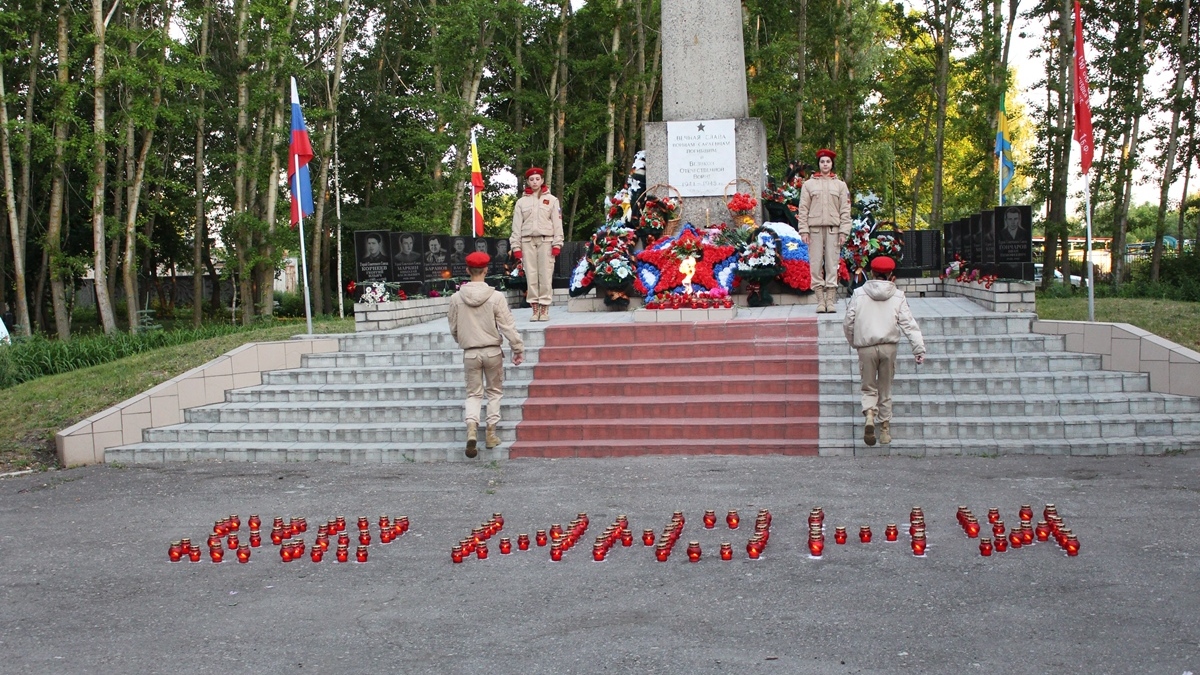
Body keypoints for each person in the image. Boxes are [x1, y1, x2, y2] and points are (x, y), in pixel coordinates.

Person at [842, 256, 926, 446]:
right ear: (890, 275)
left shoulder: (859, 293)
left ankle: (870, 414)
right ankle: (885, 429)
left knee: (868, 386)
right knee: (885, 388)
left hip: (866, 347)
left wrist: (855, 342)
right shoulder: (898, 296)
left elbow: (848, 322)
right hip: (889, 348)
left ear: (871, 273)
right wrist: (918, 349)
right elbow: (909, 324)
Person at [448, 252, 525, 458]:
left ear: (467, 270)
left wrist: (463, 341)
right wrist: (517, 348)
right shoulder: (496, 297)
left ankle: (472, 429)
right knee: (494, 392)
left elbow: (454, 328)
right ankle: (491, 434)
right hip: (492, 352)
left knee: (473, 394)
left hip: (470, 353)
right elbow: (507, 326)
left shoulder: (456, 298)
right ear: (486, 270)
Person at [797, 149, 851, 313]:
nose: (825, 164)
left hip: (833, 230)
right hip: (814, 231)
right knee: (815, 265)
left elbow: (845, 210)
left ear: (832, 164)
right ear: (819, 164)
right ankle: (820, 301)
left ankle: (830, 301)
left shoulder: (840, 185)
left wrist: (844, 231)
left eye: (828, 161)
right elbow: (803, 209)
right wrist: (803, 230)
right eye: (822, 162)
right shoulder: (808, 185)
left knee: (832, 265)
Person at [510, 167, 563, 321]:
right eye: (531, 179)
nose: (534, 182)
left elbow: (557, 223)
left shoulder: (552, 200)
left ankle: (545, 308)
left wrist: (557, 243)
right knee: (531, 275)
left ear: (542, 180)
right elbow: (516, 226)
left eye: (537, 179)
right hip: (527, 241)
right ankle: (534, 309)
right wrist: (516, 247)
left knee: (545, 274)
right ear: (527, 181)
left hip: (546, 240)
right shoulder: (521, 202)